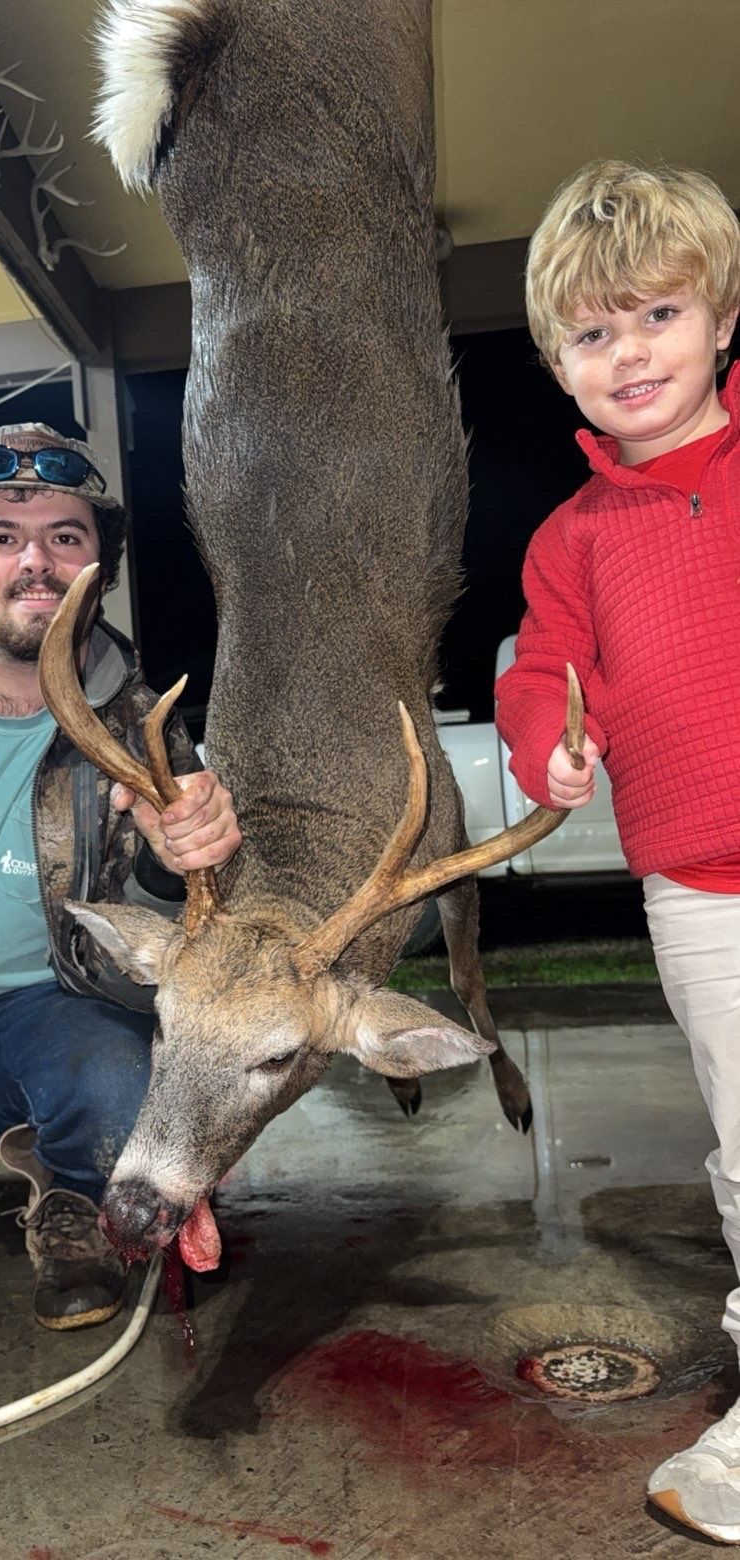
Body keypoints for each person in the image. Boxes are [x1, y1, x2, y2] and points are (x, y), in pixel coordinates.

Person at [0, 421, 241, 1332]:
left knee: (136, 1105)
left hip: (43, 1024)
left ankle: (72, 1199)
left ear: (95, 568)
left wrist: (185, 845)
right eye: (1, 537)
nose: (36, 560)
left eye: (65, 537)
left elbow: (176, 912)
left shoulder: (145, 717)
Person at [494, 160, 740, 1543]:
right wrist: (545, 748)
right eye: (590, 333)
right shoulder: (568, 539)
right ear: (556, 365)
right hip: (702, 885)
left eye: (654, 312)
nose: (626, 351)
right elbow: (541, 677)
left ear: (716, 318)